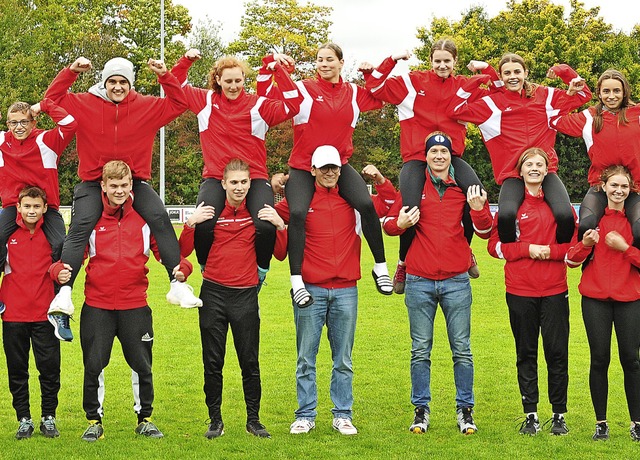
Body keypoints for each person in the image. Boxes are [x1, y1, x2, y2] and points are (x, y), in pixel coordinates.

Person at [44, 55, 201, 314]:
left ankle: (177, 284)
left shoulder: (146, 106)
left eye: (123, 82)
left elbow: (179, 102)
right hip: (94, 182)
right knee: (81, 225)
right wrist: (70, 71)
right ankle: (64, 292)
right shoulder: (84, 102)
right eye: (112, 81)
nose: (117, 86)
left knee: (159, 217)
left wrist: (165, 75)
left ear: (131, 84)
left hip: (134, 181)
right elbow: (52, 98)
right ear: (104, 82)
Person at [49, 160, 193, 442]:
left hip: (135, 304)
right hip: (97, 305)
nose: (119, 191)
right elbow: (70, 257)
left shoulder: (143, 218)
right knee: (93, 365)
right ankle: (93, 420)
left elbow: (165, 252)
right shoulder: (90, 219)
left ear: (131, 186)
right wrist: (59, 271)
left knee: (142, 365)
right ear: (102, 186)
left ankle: (145, 418)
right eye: (113, 186)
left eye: (124, 186)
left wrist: (181, 269)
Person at [258, 43, 392, 308]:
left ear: (342, 62)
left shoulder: (353, 92)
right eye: (319, 60)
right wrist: (270, 62)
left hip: (338, 164)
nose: (324, 64)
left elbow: (380, 96)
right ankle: (297, 281)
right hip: (303, 166)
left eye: (330, 59)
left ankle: (380, 267)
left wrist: (373, 72)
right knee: (297, 213)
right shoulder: (304, 88)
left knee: (365, 204)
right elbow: (265, 95)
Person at [361, 39, 499, 292]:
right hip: (416, 157)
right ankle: (403, 262)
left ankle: (466, 251)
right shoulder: (413, 82)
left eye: (447, 61)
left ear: (455, 62)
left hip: (451, 156)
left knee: (475, 195)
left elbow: (499, 93)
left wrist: (487, 69)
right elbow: (375, 86)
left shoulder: (464, 87)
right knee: (411, 207)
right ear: (430, 60)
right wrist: (392, 58)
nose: (442, 65)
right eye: (438, 61)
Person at [382, 132, 492, 435]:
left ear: (451, 157)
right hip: (419, 280)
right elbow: (390, 224)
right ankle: (421, 410)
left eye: (444, 151)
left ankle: (465, 410)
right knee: (420, 350)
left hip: (456, 280)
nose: (439, 156)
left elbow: (484, 230)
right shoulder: (414, 189)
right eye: (434, 151)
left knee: (462, 350)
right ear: (426, 156)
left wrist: (480, 208)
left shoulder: (464, 189)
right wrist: (399, 225)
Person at [171, 50, 301, 288]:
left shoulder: (258, 105)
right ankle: (205, 266)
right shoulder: (205, 101)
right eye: (228, 81)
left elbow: (293, 106)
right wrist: (186, 60)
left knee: (264, 224)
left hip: (254, 177)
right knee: (205, 223)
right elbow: (174, 82)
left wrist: (278, 72)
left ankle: (261, 272)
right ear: (218, 80)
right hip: (215, 177)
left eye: (238, 80)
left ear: (244, 79)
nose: (233, 86)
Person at [178, 159, 283, 439]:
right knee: (213, 362)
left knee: (249, 361)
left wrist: (280, 227)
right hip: (213, 294)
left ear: (250, 184)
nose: (238, 187)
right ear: (223, 184)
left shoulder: (257, 216)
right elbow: (182, 251)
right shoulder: (210, 215)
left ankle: (254, 420)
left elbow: (281, 254)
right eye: (233, 182)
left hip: (245, 296)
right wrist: (190, 223)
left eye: (244, 182)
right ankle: (215, 420)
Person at [447, 52, 591, 244]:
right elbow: (454, 110)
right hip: (512, 174)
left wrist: (563, 71)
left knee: (565, 216)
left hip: (545, 172)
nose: (512, 76)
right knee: (506, 217)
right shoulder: (492, 104)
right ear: (501, 77)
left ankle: (557, 256)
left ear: (525, 72)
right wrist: (476, 81)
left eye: (517, 71)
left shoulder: (545, 96)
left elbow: (584, 94)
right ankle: (512, 256)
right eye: (507, 73)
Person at [271, 145, 364, 436]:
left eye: (334, 167)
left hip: (346, 288)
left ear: (341, 170)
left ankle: (342, 414)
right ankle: (305, 414)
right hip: (310, 288)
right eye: (323, 167)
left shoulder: (351, 199)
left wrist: (383, 181)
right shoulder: (300, 201)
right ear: (312, 170)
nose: (329, 172)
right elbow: (274, 228)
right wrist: (273, 194)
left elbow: (385, 207)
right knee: (305, 358)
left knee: (343, 359)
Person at [487, 148, 575, 436]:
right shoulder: (511, 206)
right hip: (520, 290)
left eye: (540, 164)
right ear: (520, 170)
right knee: (526, 353)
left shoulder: (561, 208)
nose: (535, 168)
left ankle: (558, 414)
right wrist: (527, 248)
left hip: (554, 290)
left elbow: (572, 248)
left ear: (547, 171)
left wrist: (549, 251)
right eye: (529, 164)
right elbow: (495, 247)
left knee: (557, 353)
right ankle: (531, 414)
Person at [566, 165, 640, 442]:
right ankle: (601, 423)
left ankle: (637, 422)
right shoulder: (591, 220)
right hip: (595, 300)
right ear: (603, 187)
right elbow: (572, 261)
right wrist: (585, 244)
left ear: (630, 190)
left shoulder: (635, 224)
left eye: (624, 187)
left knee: (631, 361)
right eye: (614, 186)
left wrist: (625, 248)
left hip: (630, 300)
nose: (618, 191)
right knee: (599, 360)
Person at [0, 99, 77, 341]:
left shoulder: (46, 140)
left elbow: (70, 123)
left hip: (47, 206)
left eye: (24, 121)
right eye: (14, 122)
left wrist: (44, 105)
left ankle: (60, 303)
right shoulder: (2, 141)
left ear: (34, 122)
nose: (19, 126)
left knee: (61, 245)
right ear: (7, 124)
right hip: (14, 206)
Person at [551, 69, 640, 245]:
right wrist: (568, 81)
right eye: (606, 91)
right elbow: (555, 120)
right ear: (599, 93)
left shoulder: (637, 114)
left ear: (624, 92)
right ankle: (589, 267)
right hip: (600, 186)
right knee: (586, 226)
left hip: (635, 187)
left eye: (617, 91)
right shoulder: (589, 117)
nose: (612, 96)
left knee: (639, 230)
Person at [0, 186, 61, 439]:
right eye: (27, 206)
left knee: (49, 369)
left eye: (37, 206)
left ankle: (49, 417)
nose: (32, 211)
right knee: (17, 369)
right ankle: (24, 418)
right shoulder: (6, 236)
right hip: (13, 314)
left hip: (45, 314)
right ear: (19, 208)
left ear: (45, 208)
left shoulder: (53, 236)